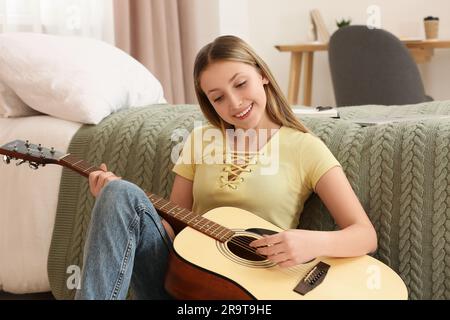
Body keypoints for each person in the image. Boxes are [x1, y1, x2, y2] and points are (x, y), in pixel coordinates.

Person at [75, 35, 377, 300]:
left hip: (252, 291)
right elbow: (173, 223)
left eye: (241, 84)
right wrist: (123, 204)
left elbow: (365, 235)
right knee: (118, 191)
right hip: (183, 283)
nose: (234, 103)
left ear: (262, 75)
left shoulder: (304, 148)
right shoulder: (201, 140)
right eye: (218, 98)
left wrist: (311, 242)